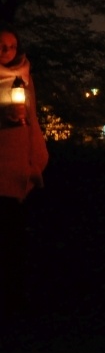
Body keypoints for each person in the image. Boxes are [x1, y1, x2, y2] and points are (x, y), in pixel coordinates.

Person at [0, 22, 48, 320]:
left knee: (16, 240)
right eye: (1, 47)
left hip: (20, 165)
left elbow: (31, 118)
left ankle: (16, 300)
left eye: (11, 46)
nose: (6, 51)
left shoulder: (24, 77)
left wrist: (36, 159)